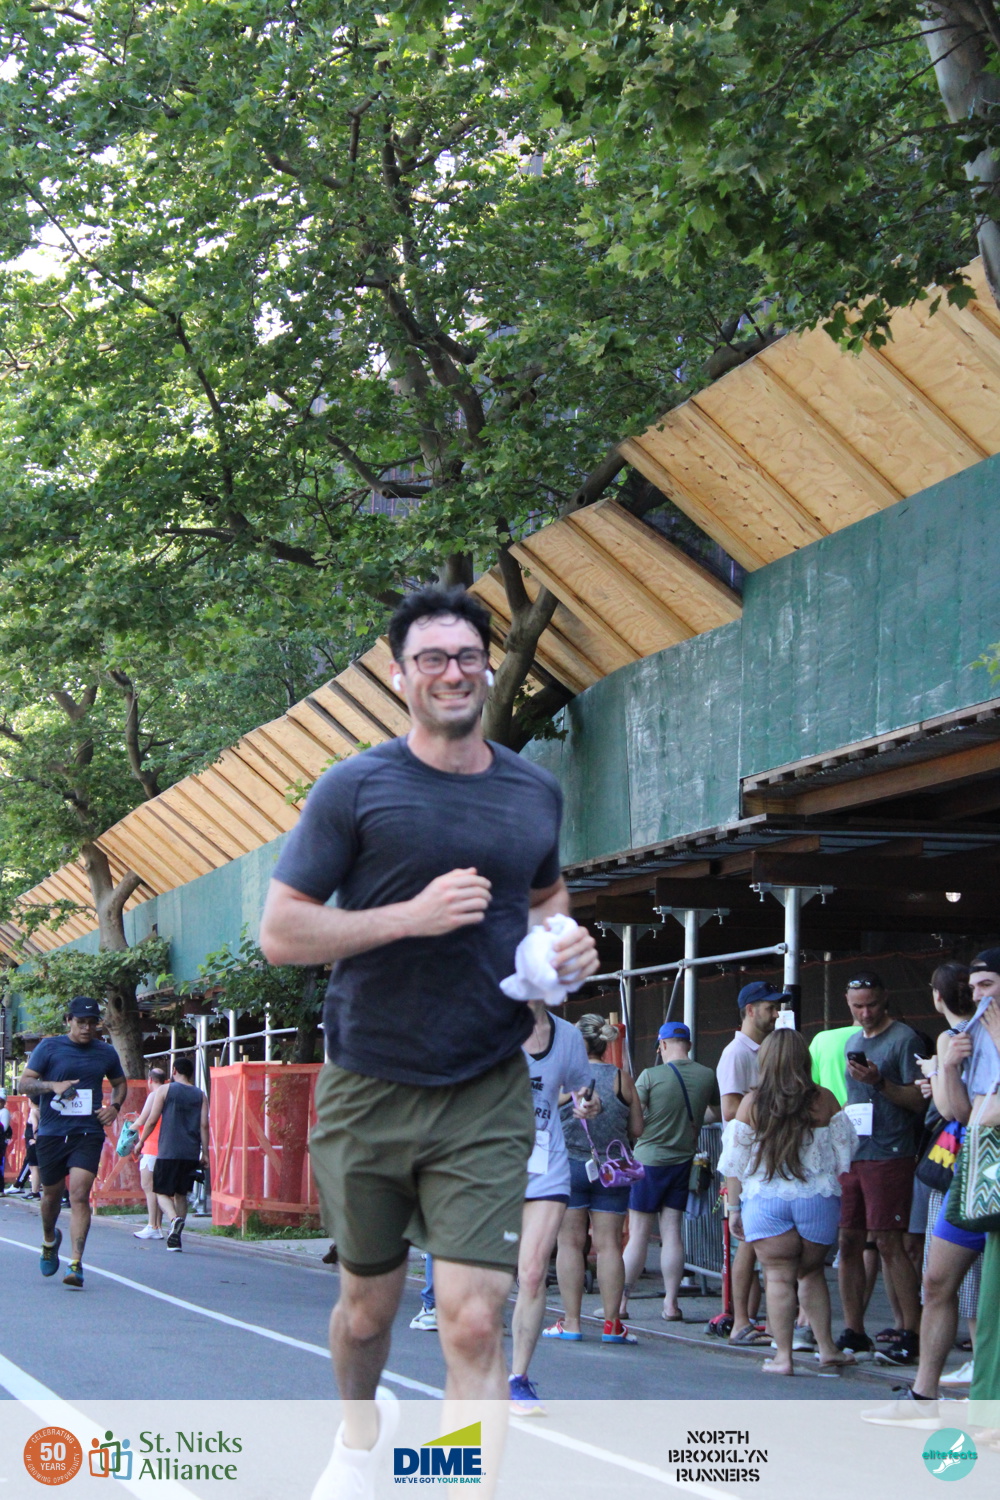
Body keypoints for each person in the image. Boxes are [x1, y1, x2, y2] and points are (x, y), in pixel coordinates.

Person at [257, 585, 599, 1500]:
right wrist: (408, 917)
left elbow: (545, 897)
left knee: (475, 1322)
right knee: (367, 1312)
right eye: (433, 659)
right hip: (369, 1081)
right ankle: (360, 1437)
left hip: (485, 1084)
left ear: (490, 666)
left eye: (468, 656)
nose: (453, 672)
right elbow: (282, 933)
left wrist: (561, 947)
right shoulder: (355, 787)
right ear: (400, 676)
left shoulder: (533, 790)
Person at [864, 949, 1000, 1424]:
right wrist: (949, 1067)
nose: (977, 996)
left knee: (990, 1296)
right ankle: (924, 1397)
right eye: (973, 987)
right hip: (975, 1169)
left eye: (987, 985)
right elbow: (958, 1112)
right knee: (937, 1279)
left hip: (989, 1168)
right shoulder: (966, 1037)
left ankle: (987, 1404)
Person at [720, 1029, 858, 1374]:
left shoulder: (751, 1104)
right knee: (811, 1274)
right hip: (816, 1199)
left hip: (766, 1200)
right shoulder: (824, 1099)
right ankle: (827, 1349)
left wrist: (734, 1209)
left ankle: (783, 1357)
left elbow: (734, 1163)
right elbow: (846, 1151)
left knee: (778, 1278)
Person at [509, 1004, 602, 1414]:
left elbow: (584, 1090)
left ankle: (517, 1380)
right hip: (492, 1164)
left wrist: (588, 1104)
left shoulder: (566, 1036)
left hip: (546, 1165)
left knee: (532, 1273)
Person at [835, 972, 926, 1363]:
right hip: (856, 1150)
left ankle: (912, 1331)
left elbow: (919, 1100)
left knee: (888, 1241)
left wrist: (880, 1082)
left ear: (884, 999)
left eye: (871, 1004)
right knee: (848, 1240)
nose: (865, 1012)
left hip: (890, 1151)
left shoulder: (904, 1039)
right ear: (848, 1003)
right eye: (858, 1006)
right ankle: (854, 1329)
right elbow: (852, 1097)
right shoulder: (853, 1041)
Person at [543, 1015, 642, 1345]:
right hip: (611, 1169)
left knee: (570, 1243)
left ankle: (571, 1322)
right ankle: (612, 1324)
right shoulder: (621, 1078)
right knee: (610, 1245)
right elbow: (637, 1129)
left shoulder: (563, 1078)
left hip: (568, 1165)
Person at [17, 995, 127, 1289]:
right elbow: (24, 1083)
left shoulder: (105, 1052)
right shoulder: (49, 1048)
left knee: (79, 1194)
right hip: (52, 1133)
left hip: (87, 1133)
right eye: (81, 1022)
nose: (87, 1028)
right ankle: (49, 1240)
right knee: (51, 1196)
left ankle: (76, 1264)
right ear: (68, 1020)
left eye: (92, 1023)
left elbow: (120, 1084)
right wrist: (52, 1085)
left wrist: (114, 1108)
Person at [620, 1021, 718, 1323]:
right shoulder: (707, 1075)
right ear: (688, 1045)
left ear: (662, 1045)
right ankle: (671, 1304)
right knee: (673, 1233)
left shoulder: (650, 1076)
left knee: (638, 1234)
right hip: (683, 1162)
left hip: (648, 1162)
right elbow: (717, 1112)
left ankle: (620, 1303)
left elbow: (633, 1119)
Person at [716, 981, 785, 1345]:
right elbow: (730, 1110)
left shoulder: (764, 1049)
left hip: (765, 1157)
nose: (776, 1014)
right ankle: (740, 1319)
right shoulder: (736, 1054)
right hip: (746, 1161)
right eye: (770, 1008)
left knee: (760, 1243)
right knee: (747, 1242)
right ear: (750, 1010)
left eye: (777, 1007)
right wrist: (776, 1109)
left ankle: (760, 1321)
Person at [133, 1057, 208, 1252]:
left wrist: (141, 1142)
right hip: (190, 1152)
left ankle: (174, 1220)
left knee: (160, 1191)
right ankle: (176, 1239)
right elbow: (204, 1125)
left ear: (174, 1071)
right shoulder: (200, 1095)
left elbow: (151, 1120)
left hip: (168, 1150)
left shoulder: (164, 1090)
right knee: (181, 1194)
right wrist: (205, 1153)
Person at [133, 1066, 168, 1240]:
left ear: (150, 1080)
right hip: (165, 1147)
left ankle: (152, 1225)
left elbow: (143, 1120)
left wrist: (131, 1129)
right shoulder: (169, 1095)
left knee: (148, 1187)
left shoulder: (154, 1095)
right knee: (158, 1188)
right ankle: (158, 1226)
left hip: (151, 1146)